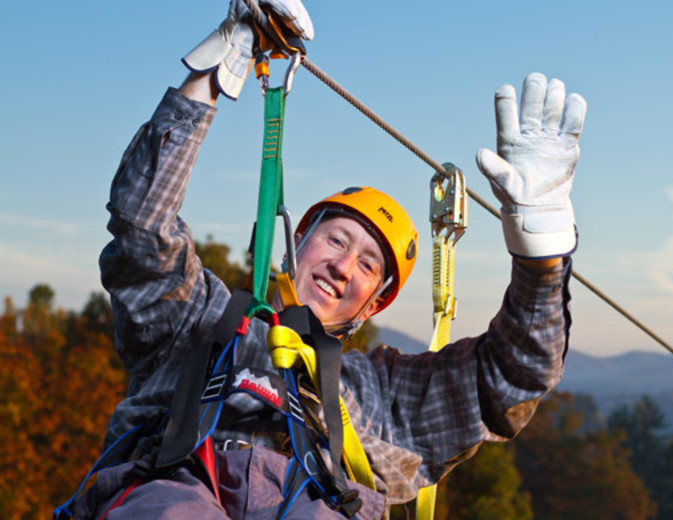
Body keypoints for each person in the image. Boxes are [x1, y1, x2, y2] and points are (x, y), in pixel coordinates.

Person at [66, 0, 586, 518]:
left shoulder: (384, 396)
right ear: (295, 244)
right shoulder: (195, 320)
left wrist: (541, 261)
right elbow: (142, 228)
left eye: (367, 265)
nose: (343, 266)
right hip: (175, 489)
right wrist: (209, 77)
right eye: (336, 241)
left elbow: (512, 376)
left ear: (371, 307)